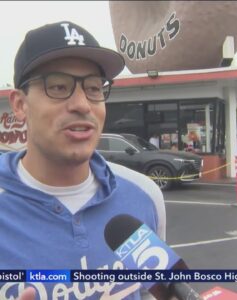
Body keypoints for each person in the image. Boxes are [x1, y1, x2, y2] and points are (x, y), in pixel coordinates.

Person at [0, 21, 166, 300]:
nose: (82, 104)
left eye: (93, 88)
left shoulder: (145, 195)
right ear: (20, 104)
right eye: (58, 86)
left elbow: (154, 292)